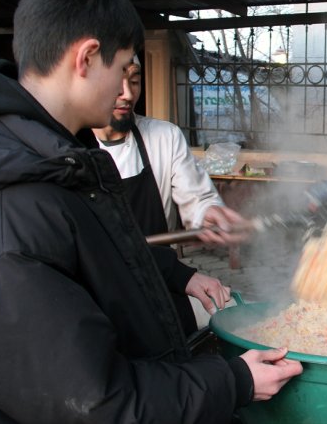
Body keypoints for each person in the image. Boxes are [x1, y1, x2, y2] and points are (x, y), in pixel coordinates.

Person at [0, 0, 301, 423]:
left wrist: (181, 276)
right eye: (123, 68)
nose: (124, 89)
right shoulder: (18, 199)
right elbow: (97, 404)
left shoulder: (60, 161)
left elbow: (105, 253)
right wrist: (234, 381)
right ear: (87, 58)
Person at [92, 58, 245, 334]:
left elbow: (197, 197)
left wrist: (209, 213)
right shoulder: (68, 145)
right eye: (117, 81)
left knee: (217, 325)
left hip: (158, 283)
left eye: (135, 80)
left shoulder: (164, 136)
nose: (127, 93)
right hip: (99, 295)